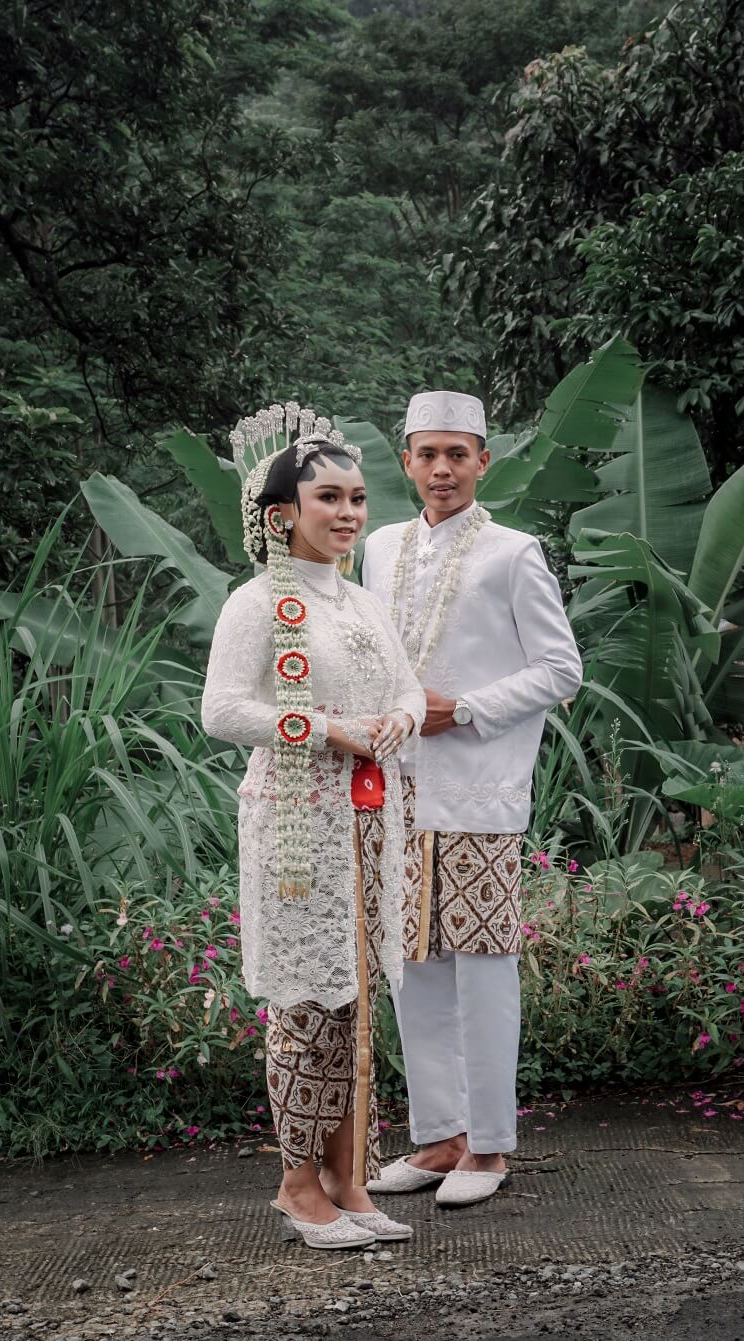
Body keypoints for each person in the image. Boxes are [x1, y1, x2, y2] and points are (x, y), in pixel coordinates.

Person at [201, 403, 426, 1249]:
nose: (348, 512)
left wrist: (400, 719)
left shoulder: (362, 603)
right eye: (328, 497)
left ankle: (346, 1175)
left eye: (357, 497)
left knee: (356, 998)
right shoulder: (257, 603)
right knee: (306, 1000)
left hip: (369, 822)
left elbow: (406, 688)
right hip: (295, 825)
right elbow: (222, 710)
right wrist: (328, 728)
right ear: (281, 514)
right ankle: (297, 1185)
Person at [362, 390, 582, 1208]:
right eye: (427, 453)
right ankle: (438, 1137)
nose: (442, 468)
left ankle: (488, 1144)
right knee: (412, 967)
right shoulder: (378, 548)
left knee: (483, 968)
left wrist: (464, 708)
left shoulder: (513, 553)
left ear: (483, 461)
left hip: (478, 791)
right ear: (407, 460)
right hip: (396, 789)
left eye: (457, 453)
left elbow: (561, 668)